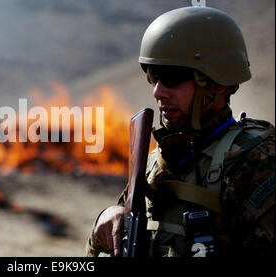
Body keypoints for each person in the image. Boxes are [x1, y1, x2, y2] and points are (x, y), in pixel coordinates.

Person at [85, 6, 275, 257]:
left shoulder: (257, 161)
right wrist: (104, 223)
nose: (158, 92)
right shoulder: (156, 161)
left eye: (172, 76)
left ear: (217, 84)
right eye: (154, 76)